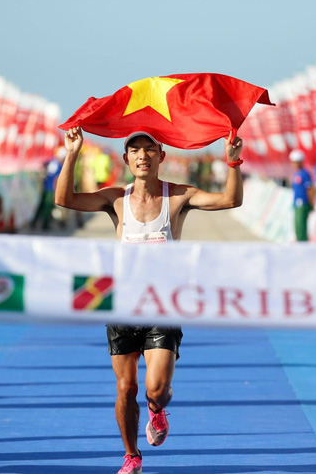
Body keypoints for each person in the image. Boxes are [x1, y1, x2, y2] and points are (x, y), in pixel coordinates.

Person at [55, 127, 243, 474]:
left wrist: (233, 163)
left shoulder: (178, 197)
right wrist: (72, 153)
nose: (142, 156)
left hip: (162, 305)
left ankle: (157, 410)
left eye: (149, 150)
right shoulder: (115, 198)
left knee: (156, 390)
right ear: (126, 159)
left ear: (161, 156)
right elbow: (65, 199)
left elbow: (230, 201)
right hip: (123, 304)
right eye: (135, 150)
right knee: (126, 388)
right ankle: (132, 456)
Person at [289, 149, 313, 242]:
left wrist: (311, 203)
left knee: (302, 226)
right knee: (297, 226)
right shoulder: (295, 174)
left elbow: (310, 189)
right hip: (296, 204)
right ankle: (300, 243)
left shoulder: (305, 174)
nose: (295, 164)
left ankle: (303, 245)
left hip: (303, 204)